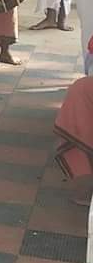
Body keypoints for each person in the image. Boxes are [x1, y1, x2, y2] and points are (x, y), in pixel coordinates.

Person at [54, 76, 93, 204]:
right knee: (81, 150)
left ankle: (83, 193)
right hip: (83, 97)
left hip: (83, 93)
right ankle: (83, 193)